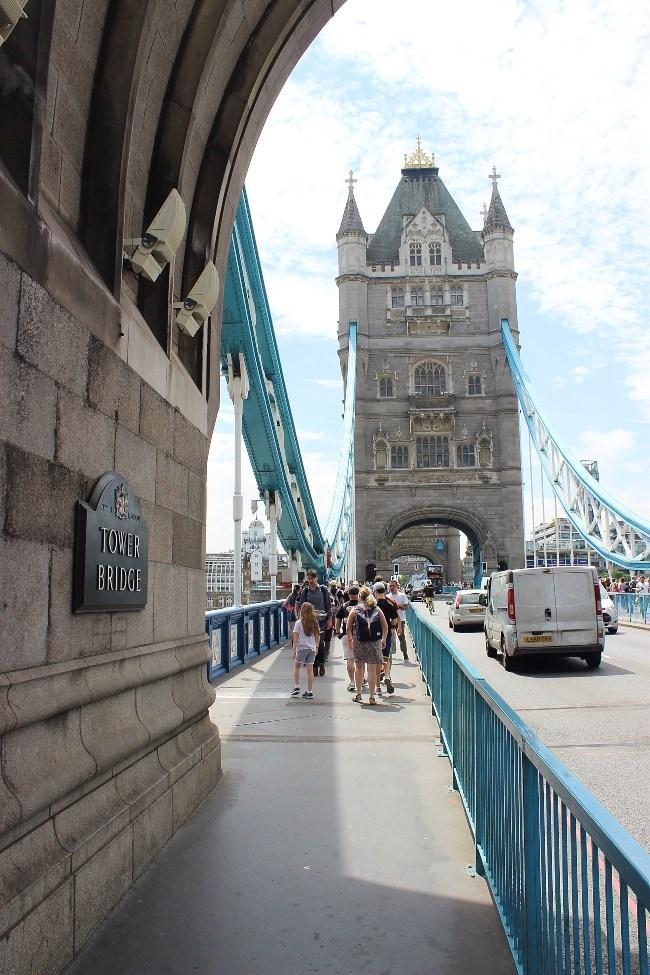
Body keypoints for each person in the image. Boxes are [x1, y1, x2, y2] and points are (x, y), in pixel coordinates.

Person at [346, 585, 388, 705]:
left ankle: (359, 694)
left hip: (359, 642)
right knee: (371, 669)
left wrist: (350, 639)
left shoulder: (355, 609)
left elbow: (348, 628)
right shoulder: (377, 609)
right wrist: (383, 639)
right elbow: (385, 627)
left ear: (359, 596)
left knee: (359, 668)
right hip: (374, 642)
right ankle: (371, 696)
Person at [297, 569, 332, 676]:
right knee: (311, 644)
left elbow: (328, 605)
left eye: (312, 578)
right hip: (309, 621)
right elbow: (302, 606)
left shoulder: (323, 590)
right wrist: (301, 620)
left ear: (316, 578)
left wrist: (329, 619)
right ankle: (314, 665)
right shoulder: (305, 591)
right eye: (309, 578)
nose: (311, 580)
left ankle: (321, 664)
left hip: (321, 620)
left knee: (320, 643)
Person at [290, 602, 321, 699]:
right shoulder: (314, 622)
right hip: (312, 649)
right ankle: (309, 691)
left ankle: (296, 686)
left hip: (302, 648)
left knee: (297, 666)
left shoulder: (299, 623)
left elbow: (295, 637)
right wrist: (316, 647)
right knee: (310, 670)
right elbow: (318, 636)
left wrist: (294, 650)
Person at [374, 583, 399, 694]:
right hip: (387, 634)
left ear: (375, 592)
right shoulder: (389, 604)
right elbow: (394, 619)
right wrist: (392, 626)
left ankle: (377, 688)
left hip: (374, 636)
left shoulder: (373, 605)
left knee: (375, 660)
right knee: (385, 657)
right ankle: (387, 676)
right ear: (384, 591)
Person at [336, 585, 360, 691]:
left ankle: (352, 682)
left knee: (350, 659)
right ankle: (361, 678)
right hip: (361, 635)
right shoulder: (362, 606)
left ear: (349, 595)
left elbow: (338, 619)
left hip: (347, 634)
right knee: (360, 660)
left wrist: (337, 631)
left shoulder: (344, 605)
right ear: (358, 594)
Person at [388, 579, 409, 661]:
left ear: (397, 586)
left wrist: (398, 607)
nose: (392, 587)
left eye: (393, 586)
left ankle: (405, 653)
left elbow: (407, 607)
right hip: (391, 620)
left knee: (401, 637)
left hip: (401, 619)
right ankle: (390, 655)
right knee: (390, 638)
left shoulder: (402, 596)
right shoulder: (388, 597)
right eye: (390, 586)